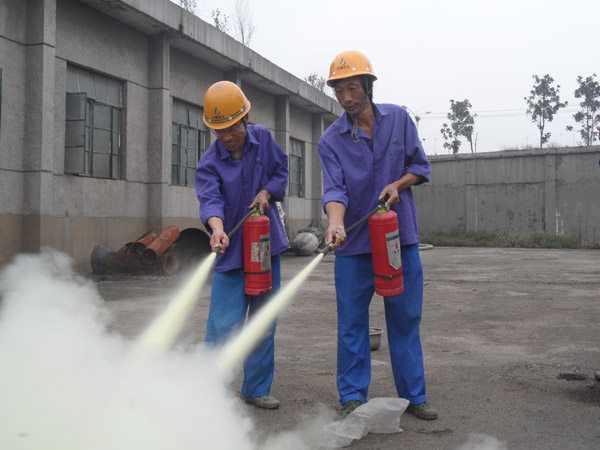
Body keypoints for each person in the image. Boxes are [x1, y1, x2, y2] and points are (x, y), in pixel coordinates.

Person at [317, 50, 437, 420]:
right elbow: (334, 191)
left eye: (352, 88)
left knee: (404, 319)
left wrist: (399, 184)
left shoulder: (399, 119)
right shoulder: (330, 141)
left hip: (398, 241)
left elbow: (420, 166)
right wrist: (335, 223)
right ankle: (353, 396)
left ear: (368, 85)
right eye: (339, 91)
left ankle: (414, 396)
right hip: (353, 247)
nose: (346, 98)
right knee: (352, 324)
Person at [196, 81, 289, 409]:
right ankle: (213, 395)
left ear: (246, 118)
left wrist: (267, 192)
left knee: (263, 321)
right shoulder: (209, 163)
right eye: (219, 130)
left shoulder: (263, 139)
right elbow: (210, 200)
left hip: (265, 246)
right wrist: (217, 228)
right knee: (223, 326)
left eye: (232, 127)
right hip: (230, 251)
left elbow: (281, 171)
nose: (227, 136)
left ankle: (256, 388)